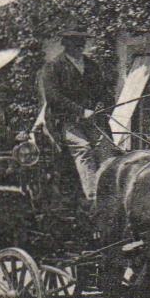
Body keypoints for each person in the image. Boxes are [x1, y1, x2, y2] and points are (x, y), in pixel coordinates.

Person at [35, 35, 115, 199]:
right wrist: (81, 111)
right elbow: (54, 97)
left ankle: (110, 193)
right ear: (66, 46)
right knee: (83, 148)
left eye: (82, 45)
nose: (80, 48)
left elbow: (103, 91)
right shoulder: (53, 67)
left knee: (106, 148)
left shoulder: (91, 66)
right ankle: (93, 196)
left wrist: (101, 104)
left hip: (92, 120)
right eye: (76, 45)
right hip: (64, 121)